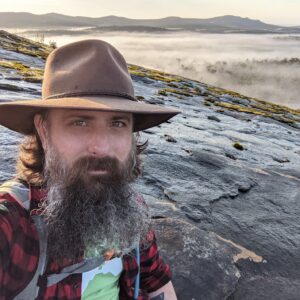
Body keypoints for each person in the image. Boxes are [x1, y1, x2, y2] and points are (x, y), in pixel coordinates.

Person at [0, 39, 180, 299]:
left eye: (117, 123)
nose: (102, 147)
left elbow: (154, 280)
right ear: (44, 130)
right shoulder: (13, 223)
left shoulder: (131, 209)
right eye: (80, 122)